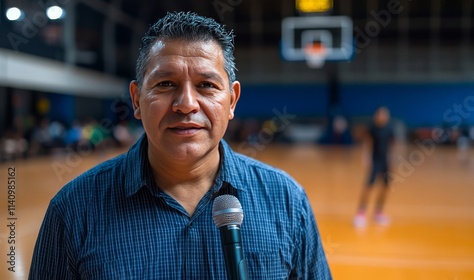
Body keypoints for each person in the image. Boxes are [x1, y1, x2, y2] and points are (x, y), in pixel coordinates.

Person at [29, 11, 331, 279]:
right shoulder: (72, 211)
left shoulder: (287, 201)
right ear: (136, 99)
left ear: (232, 100)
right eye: (165, 84)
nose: (186, 104)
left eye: (206, 85)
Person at [353, 106, 395, 228]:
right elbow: (367, 142)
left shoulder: (390, 129)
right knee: (368, 186)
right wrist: (366, 157)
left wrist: (393, 159)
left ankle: (379, 212)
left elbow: (393, 144)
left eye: (384, 115)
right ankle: (361, 213)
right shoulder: (372, 128)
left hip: (385, 161)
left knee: (385, 187)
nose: (381, 117)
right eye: (379, 114)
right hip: (375, 161)